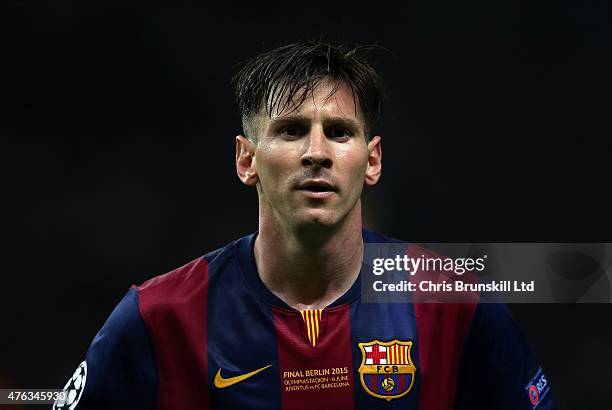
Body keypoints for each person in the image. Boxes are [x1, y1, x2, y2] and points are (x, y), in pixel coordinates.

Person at [54, 41, 554, 410]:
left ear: (372, 161)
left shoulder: (455, 302)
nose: (316, 153)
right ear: (246, 159)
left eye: (339, 132)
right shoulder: (157, 317)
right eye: (292, 131)